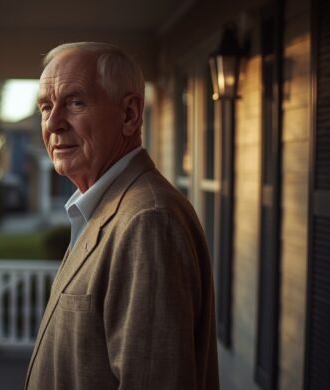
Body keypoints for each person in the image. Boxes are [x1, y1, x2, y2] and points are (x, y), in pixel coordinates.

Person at [25, 42, 220, 389]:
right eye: (45, 107)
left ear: (130, 114)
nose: (53, 123)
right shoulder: (105, 208)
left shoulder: (147, 221)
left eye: (75, 102)